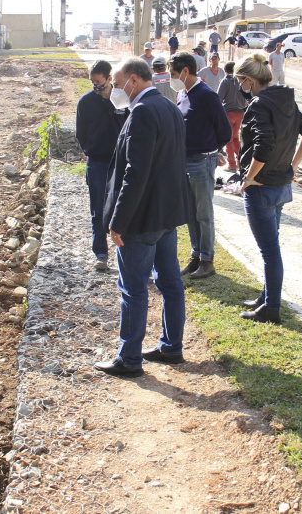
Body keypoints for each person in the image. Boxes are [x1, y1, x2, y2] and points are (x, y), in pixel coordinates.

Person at [94, 57, 191, 377]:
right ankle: (171, 346)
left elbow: (134, 174)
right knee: (170, 281)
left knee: (133, 288)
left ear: (134, 80)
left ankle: (129, 358)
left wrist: (118, 222)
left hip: (143, 218)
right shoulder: (169, 107)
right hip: (165, 214)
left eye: (119, 84)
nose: (117, 90)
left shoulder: (143, 113)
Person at [235, 53, 302, 323]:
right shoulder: (285, 100)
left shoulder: (259, 104)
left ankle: (271, 308)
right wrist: (292, 166)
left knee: (270, 251)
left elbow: (263, 145)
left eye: (240, 81)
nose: (240, 86)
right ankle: (267, 296)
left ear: (248, 80)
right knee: (271, 247)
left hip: (262, 188)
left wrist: (248, 177)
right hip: (280, 185)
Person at [170, 52, 233, 279]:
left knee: (203, 213)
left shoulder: (207, 95)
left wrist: (211, 150)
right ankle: (196, 255)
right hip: (185, 161)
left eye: (174, 74)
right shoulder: (181, 94)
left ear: (186, 71)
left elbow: (225, 131)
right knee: (190, 213)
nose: (171, 78)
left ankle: (207, 260)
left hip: (202, 161)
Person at [75, 60, 128, 270]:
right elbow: (81, 133)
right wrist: (91, 151)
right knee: (97, 209)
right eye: (93, 83)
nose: (96, 87)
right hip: (97, 163)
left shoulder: (122, 100)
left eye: (99, 83)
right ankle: (101, 254)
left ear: (109, 79)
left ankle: (124, 251)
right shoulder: (86, 102)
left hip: (121, 163)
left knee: (122, 206)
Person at [217, 61, 248, 172]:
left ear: (225, 70)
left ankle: (231, 164)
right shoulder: (241, 82)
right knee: (235, 138)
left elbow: (218, 98)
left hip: (228, 113)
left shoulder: (225, 82)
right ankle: (240, 161)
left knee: (228, 139)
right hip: (240, 113)